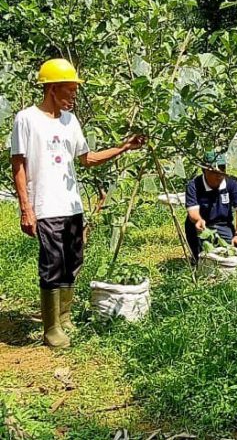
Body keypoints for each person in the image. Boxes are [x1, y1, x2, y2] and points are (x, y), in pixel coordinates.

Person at [10, 58, 145, 349]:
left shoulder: (71, 121)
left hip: (72, 205)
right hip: (45, 206)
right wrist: (26, 208)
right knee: (53, 264)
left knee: (72, 261)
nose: (73, 96)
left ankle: (65, 316)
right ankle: (51, 328)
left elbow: (87, 158)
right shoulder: (26, 119)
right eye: (69, 90)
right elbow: (18, 165)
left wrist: (124, 147)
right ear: (52, 89)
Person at [184, 150, 237, 264]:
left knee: (233, 254)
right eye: (214, 170)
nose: (219, 173)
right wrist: (198, 220)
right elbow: (193, 212)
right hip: (200, 227)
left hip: (223, 225)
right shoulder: (194, 186)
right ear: (204, 170)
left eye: (222, 168)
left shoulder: (231, 183)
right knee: (204, 260)